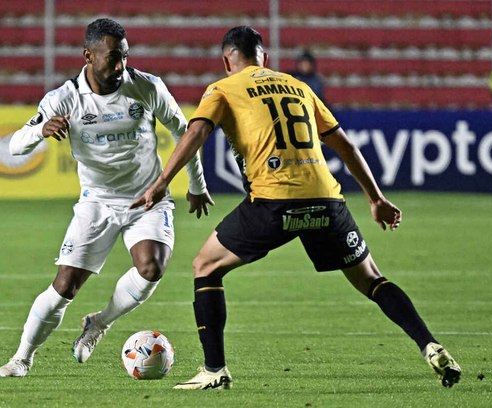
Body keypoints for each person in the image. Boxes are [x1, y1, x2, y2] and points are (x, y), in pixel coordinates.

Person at [132, 26, 462, 390]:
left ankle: (214, 370)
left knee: (205, 266)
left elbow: (195, 131)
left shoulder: (222, 88)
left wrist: (162, 182)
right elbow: (346, 146)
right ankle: (429, 344)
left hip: (274, 200)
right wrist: (376, 198)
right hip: (325, 198)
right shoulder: (298, 86)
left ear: (227, 60)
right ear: (265, 59)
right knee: (371, 279)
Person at [0, 17, 213, 377]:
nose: (121, 66)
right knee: (64, 286)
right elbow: (15, 146)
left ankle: (100, 322)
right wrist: (40, 131)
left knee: (151, 267)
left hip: (147, 198)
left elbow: (184, 132)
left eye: (125, 56)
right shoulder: (63, 99)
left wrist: (197, 185)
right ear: (88, 56)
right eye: (113, 58)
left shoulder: (146, 87)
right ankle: (22, 357)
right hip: (97, 202)